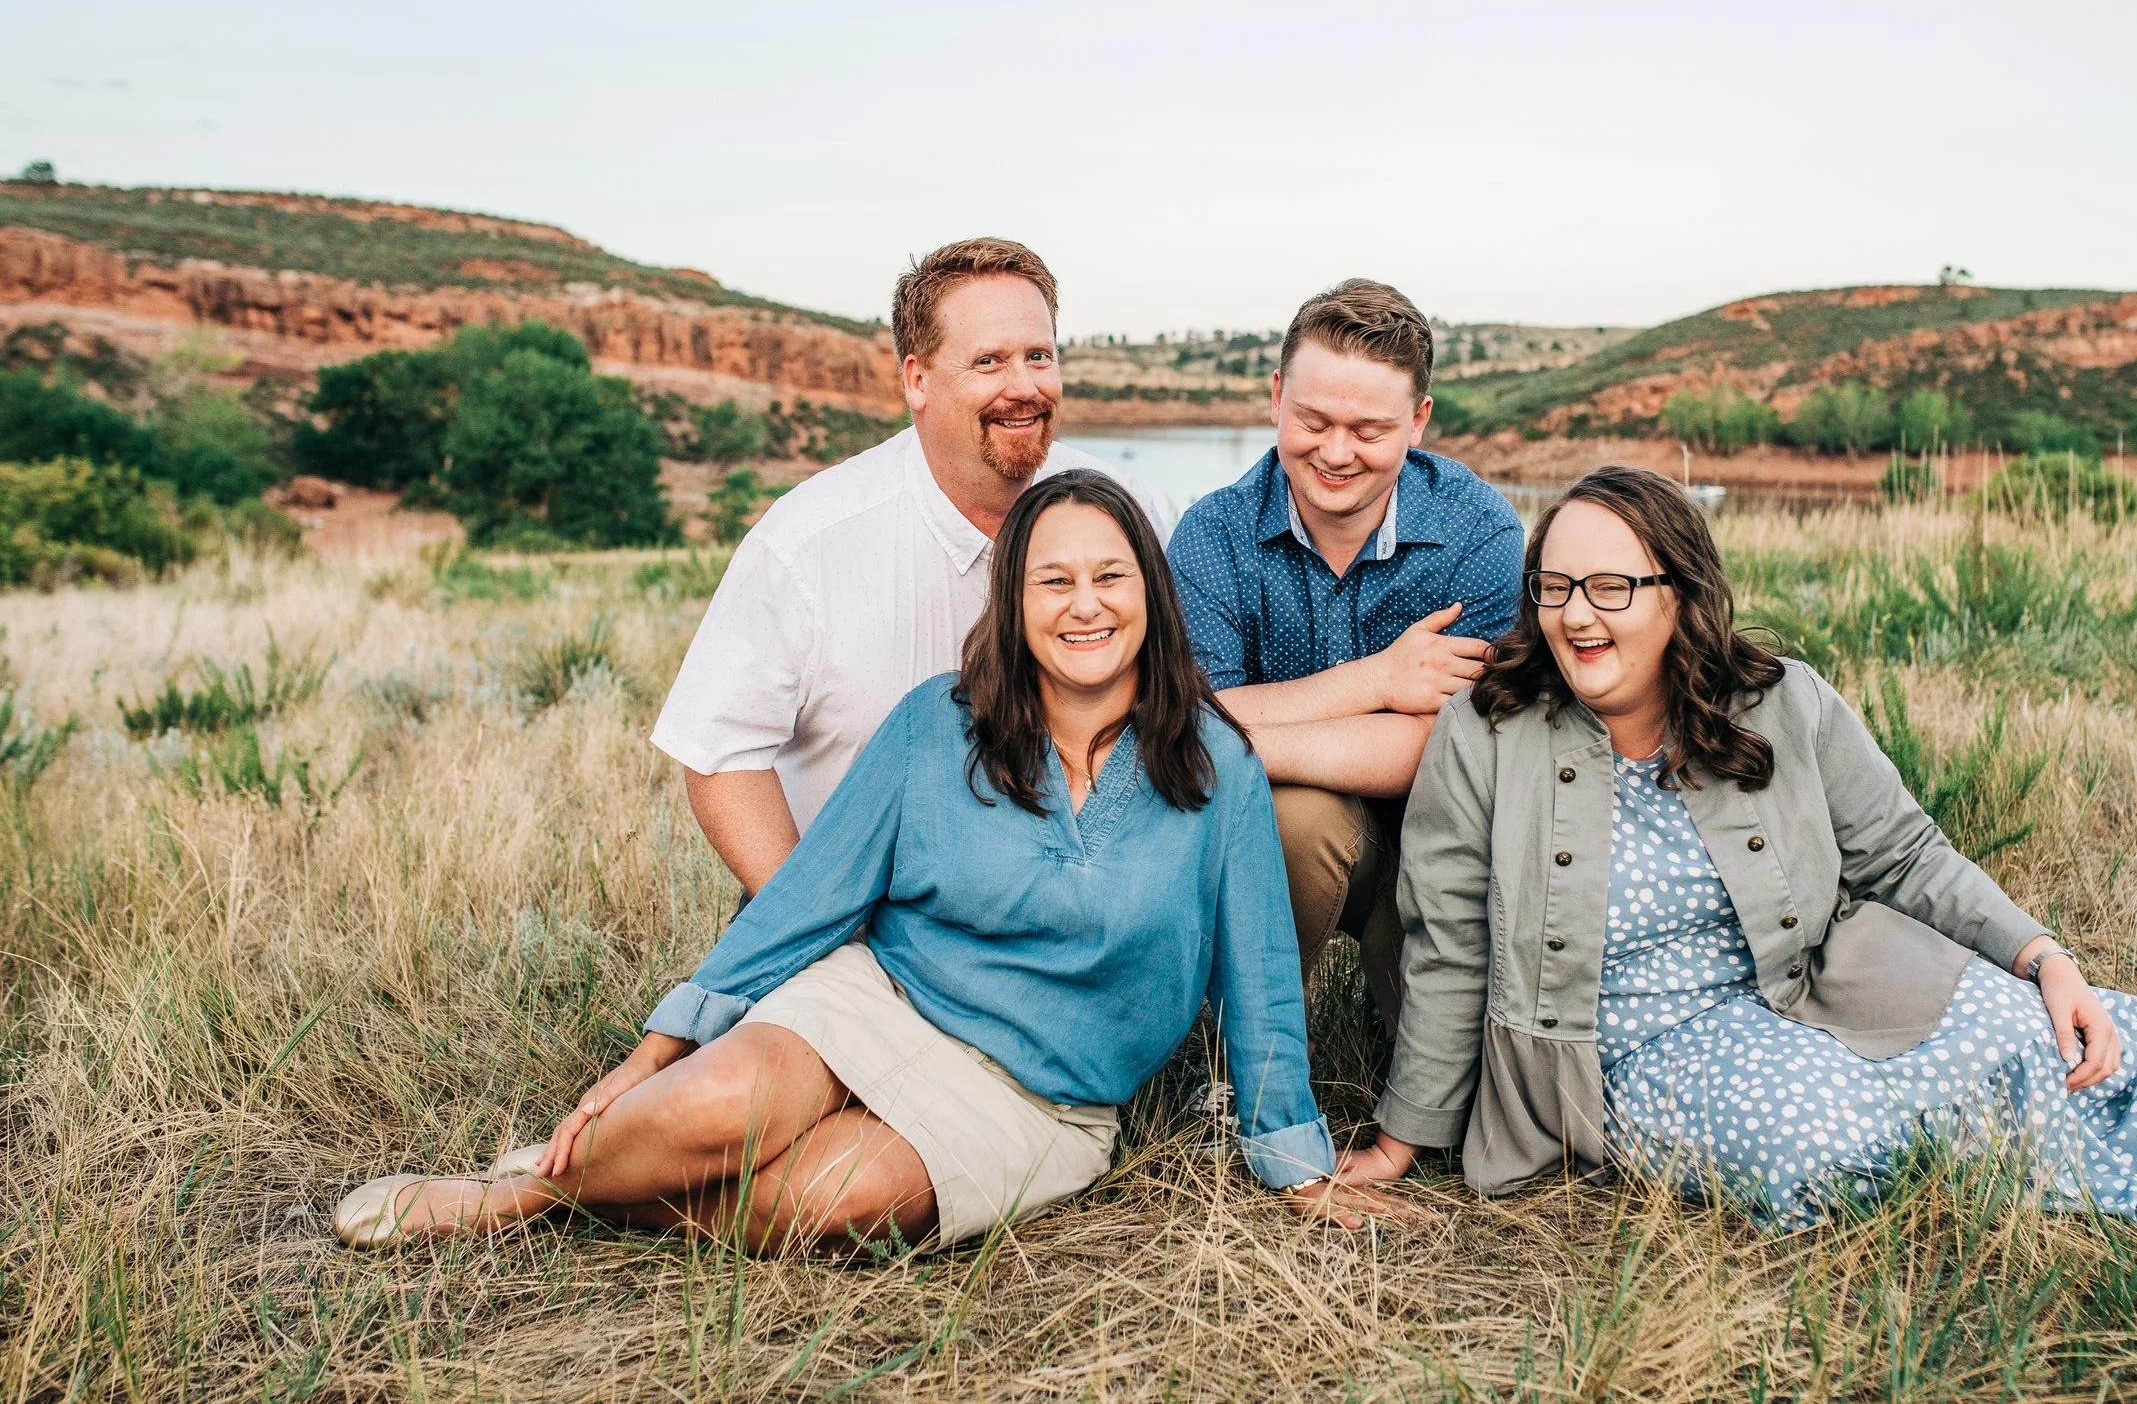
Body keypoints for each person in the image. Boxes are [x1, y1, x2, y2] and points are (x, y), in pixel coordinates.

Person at [334, 471, 1424, 1250]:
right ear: (1015, 602)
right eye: (1052, 582)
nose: (1084, 604)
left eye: (1109, 576)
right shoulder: (933, 726)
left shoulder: (1215, 764)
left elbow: (1264, 978)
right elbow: (806, 904)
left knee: (825, 1199)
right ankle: (519, 1199)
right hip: (881, 997)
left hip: (1039, 1094)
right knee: (711, 1108)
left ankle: (581, 1193)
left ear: (1149, 591)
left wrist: (1298, 1163)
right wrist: (649, 1055)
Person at [1340, 465, 2137, 1228]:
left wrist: (2043, 956)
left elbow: (1903, 854)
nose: (1576, 615)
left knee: (2022, 1028)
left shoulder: (1780, 701)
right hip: (1634, 1047)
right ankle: (2013, 1156)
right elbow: (1448, 944)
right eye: (1555, 587)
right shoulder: (1489, 728)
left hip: (1816, 978)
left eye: (1611, 587)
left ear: (1680, 593)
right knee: (1822, 1137)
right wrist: (1403, 1135)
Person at [653, 236, 1115, 896]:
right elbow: (719, 752)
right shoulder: (807, 541)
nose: (1024, 386)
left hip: (1062, 920)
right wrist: (813, 919)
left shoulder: (1119, 515)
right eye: (988, 361)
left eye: (1038, 356)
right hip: (863, 915)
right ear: (916, 379)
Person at [1167, 280, 1524, 1034]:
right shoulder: (1212, 535)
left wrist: (1241, 738)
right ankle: (1238, 1052)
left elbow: (1456, 742)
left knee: (1447, 1105)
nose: (1334, 453)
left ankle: (1396, 1016)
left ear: (1419, 420)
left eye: (1368, 429)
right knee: (1301, 818)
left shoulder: (1480, 531)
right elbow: (1186, 721)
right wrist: (1381, 679)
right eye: (1313, 420)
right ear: (1275, 396)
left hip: (1454, 839)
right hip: (1287, 836)